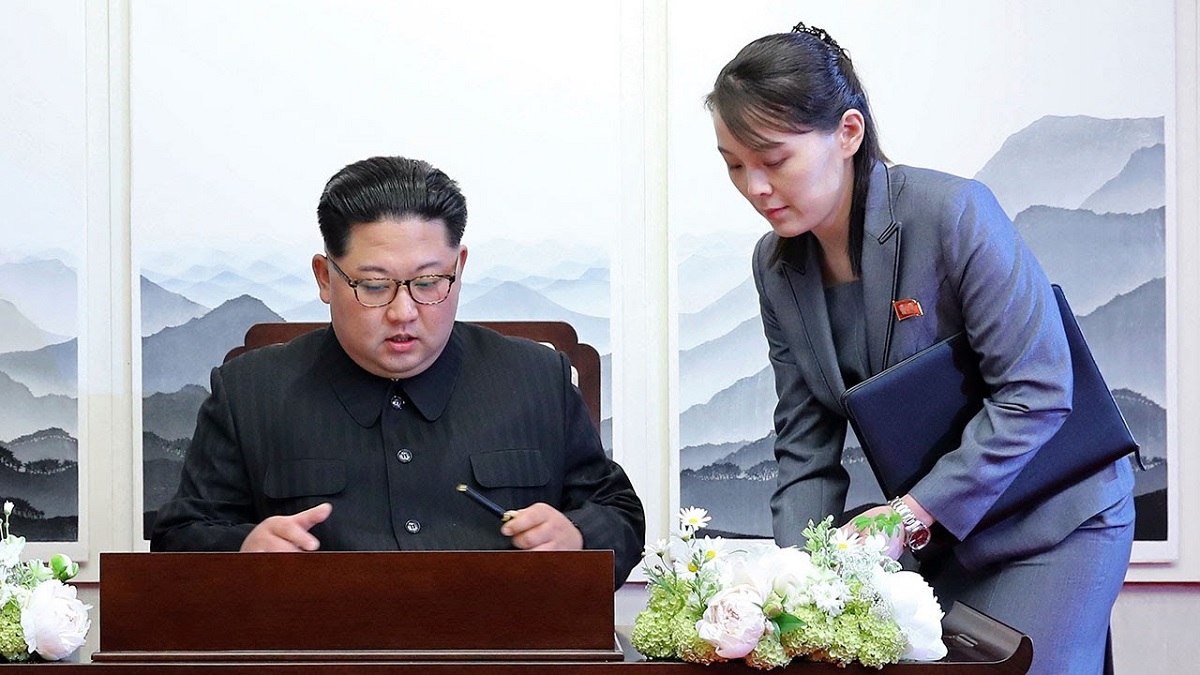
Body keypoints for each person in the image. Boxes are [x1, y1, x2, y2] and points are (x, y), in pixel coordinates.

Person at [705, 23, 1135, 675]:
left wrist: (909, 515)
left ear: (848, 133)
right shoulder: (775, 266)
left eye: (773, 159)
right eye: (735, 165)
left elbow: (1039, 390)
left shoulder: (955, 212)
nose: (755, 186)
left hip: (1056, 521)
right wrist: (795, 580)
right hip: (945, 537)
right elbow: (804, 442)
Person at [151, 155, 646, 588]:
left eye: (429, 282)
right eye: (374, 286)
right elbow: (180, 537)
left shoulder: (536, 378)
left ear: (459, 267)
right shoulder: (250, 392)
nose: (403, 312)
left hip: (500, 652)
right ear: (325, 277)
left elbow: (618, 511)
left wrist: (577, 536)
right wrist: (243, 550)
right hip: (319, 653)